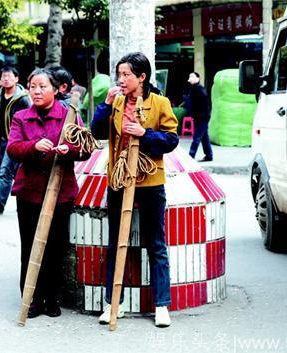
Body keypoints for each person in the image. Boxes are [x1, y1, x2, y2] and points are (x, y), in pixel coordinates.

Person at [91, 52, 178, 327]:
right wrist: (104, 106)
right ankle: (113, 303)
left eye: (126, 74)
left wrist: (144, 134)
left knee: (156, 243)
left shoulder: (160, 102)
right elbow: (97, 133)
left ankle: (161, 304)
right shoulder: (115, 101)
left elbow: (171, 140)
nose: (121, 79)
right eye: (119, 74)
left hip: (150, 181)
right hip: (119, 179)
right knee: (117, 242)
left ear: (142, 77)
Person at [7, 68, 90, 318]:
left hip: (61, 192)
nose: (37, 91)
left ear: (56, 89)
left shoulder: (69, 115)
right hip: (30, 193)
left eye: (42, 86)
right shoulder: (21, 117)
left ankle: (52, 298)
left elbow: (85, 148)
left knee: (55, 247)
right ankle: (31, 299)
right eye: (33, 86)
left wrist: (69, 150)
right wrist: (33, 146)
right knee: (29, 246)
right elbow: (12, 148)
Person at [0, 67, 31, 217]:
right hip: (4, 141)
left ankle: (0, 205)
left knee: (10, 173)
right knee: (7, 173)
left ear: (16, 79)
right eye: (4, 77)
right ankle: (6, 205)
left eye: (9, 76)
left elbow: (29, 120)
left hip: (19, 142)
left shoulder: (23, 98)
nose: (6, 79)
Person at [185, 72, 213, 162]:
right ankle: (209, 156)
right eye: (189, 76)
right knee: (204, 138)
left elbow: (205, 105)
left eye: (192, 76)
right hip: (198, 117)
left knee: (196, 137)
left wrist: (202, 116)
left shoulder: (200, 89)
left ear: (198, 78)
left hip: (203, 118)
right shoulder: (193, 89)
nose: (190, 78)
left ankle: (190, 156)